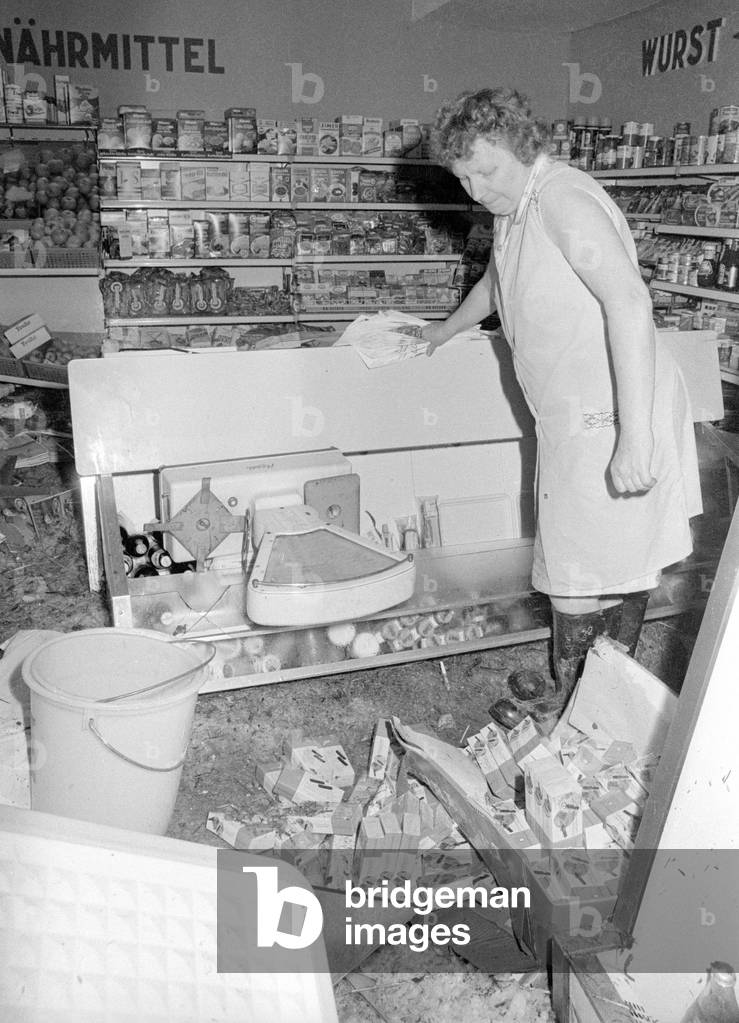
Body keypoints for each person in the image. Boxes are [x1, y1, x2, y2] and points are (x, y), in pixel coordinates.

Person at [422, 87, 702, 714]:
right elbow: (499, 281)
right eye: (464, 176)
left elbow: (629, 303)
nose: (476, 189)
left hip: (617, 403)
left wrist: (635, 436)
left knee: (594, 563)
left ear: (521, 146)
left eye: (486, 170)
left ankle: (590, 706)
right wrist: (442, 330)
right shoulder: (513, 207)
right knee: (588, 555)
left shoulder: (562, 200)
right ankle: (582, 692)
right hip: (577, 412)